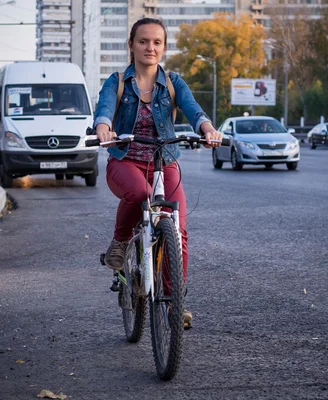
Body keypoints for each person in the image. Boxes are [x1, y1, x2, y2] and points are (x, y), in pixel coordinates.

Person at [93, 17, 222, 327]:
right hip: (125, 161)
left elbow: (193, 110)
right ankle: (122, 243)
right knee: (138, 193)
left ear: (163, 47)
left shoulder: (174, 82)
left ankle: (173, 301)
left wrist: (207, 129)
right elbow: (104, 109)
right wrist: (103, 129)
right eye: (143, 41)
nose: (150, 47)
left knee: (177, 229)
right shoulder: (118, 82)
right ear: (132, 45)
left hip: (165, 163)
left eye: (156, 42)